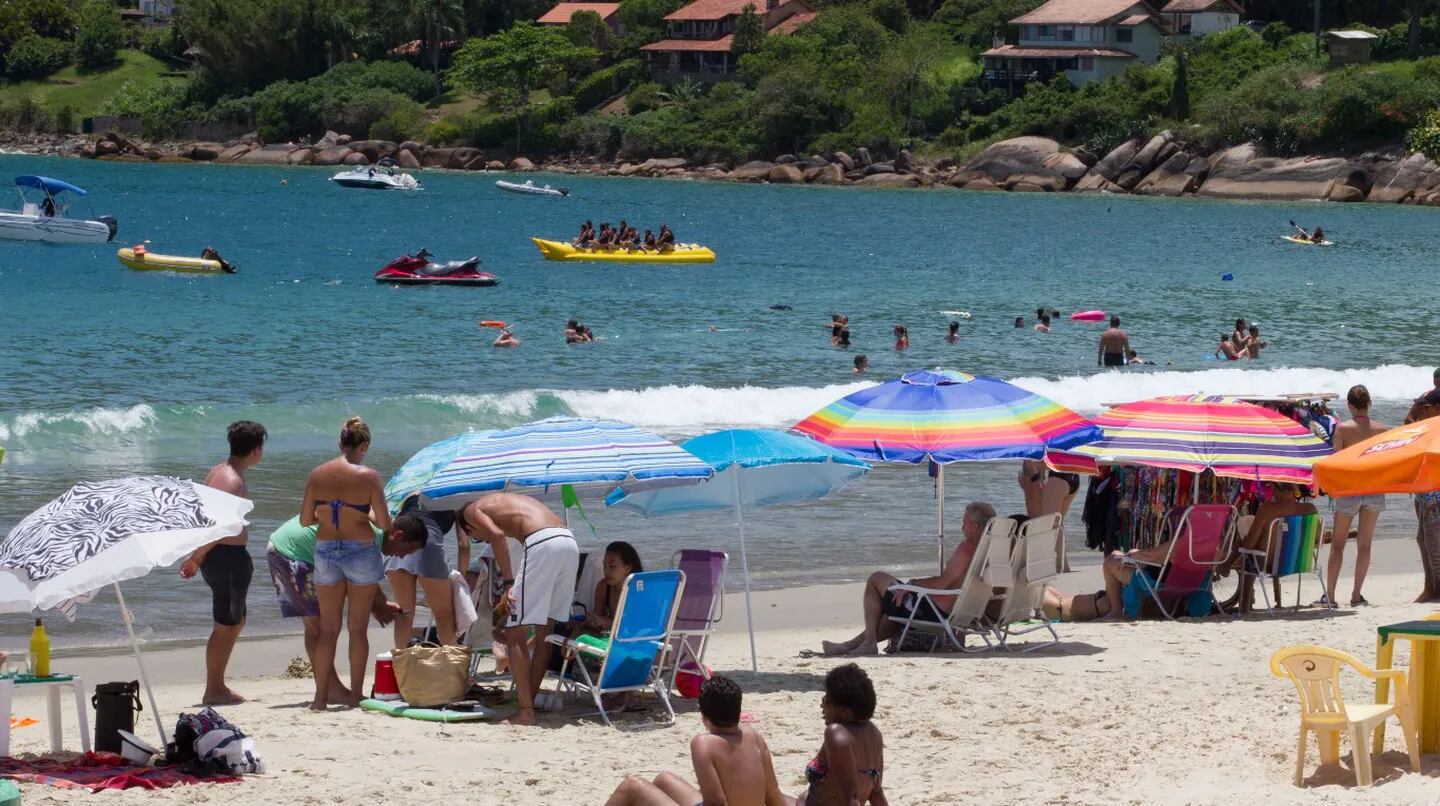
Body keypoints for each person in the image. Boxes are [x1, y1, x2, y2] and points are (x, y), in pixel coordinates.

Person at [457, 493, 579, 726]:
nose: (479, 540)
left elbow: (497, 536)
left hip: (542, 542)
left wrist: (510, 583)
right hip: (568, 540)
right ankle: (528, 703)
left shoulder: (470, 511)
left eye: (475, 537)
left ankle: (525, 711)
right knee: (546, 632)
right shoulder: (502, 503)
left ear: (469, 526)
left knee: (515, 633)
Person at [267, 515, 420, 702]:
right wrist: (376, 605)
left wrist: (380, 603)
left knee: (324, 626)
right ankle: (331, 690)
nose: (402, 556)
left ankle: (328, 692)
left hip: (310, 552)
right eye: (407, 549)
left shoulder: (377, 530)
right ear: (397, 534)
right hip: (291, 552)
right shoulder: (370, 536)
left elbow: (359, 572)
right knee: (317, 626)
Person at [819, 502, 996, 656]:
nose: (961, 527)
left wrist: (912, 584)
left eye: (964, 522)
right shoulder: (990, 551)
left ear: (974, 525)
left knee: (876, 579)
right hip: (958, 612)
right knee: (895, 609)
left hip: (934, 612)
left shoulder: (967, 549)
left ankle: (869, 643)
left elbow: (943, 583)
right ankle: (848, 646)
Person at [299, 417, 393, 710]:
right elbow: (386, 522)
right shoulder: (369, 476)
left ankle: (319, 698)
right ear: (363, 445)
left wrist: (328, 515)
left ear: (340, 442)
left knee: (328, 630)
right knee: (357, 629)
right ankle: (355, 696)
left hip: (326, 549)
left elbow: (304, 520)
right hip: (360, 549)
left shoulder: (317, 475)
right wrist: (362, 515)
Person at [179, 421, 266, 706]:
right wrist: (195, 556)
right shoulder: (232, 481)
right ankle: (213, 689)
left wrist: (197, 554)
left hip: (223, 557)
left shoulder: (218, 471)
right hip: (225, 557)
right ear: (255, 449)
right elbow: (218, 528)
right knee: (226, 624)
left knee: (236, 620)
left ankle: (218, 685)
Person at [605, 675, 786, 806]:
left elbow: (716, 802)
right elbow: (773, 795)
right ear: (738, 711)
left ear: (703, 715)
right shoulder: (754, 737)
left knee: (632, 786)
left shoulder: (703, 744)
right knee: (663, 779)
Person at [1323, 385, 1389, 607]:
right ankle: (1356, 595)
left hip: (1350, 490)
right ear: (1369, 404)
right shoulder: (1382, 430)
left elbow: (1337, 462)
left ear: (1350, 405)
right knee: (1365, 545)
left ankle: (1330, 597)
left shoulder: (1343, 429)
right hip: (1374, 490)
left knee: (1338, 545)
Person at [790, 664, 887, 806]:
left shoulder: (837, 734)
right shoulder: (874, 733)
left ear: (845, 712)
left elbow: (851, 798)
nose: (822, 705)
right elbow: (876, 793)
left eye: (827, 700)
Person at [385, 496, 468, 648]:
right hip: (428, 543)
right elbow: (463, 545)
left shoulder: (410, 494)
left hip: (399, 543)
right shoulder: (455, 496)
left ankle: (403, 668)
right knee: (444, 618)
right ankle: (451, 668)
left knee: (404, 615)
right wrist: (461, 577)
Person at [585, 541, 642, 633]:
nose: (606, 571)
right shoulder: (603, 587)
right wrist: (588, 622)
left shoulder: (639, 590)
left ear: (627, 568)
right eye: (604, 565)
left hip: (634, 640)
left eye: (612, 566)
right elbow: (596, 624)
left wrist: (604, 621)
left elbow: (639, 625)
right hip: (610, 638)